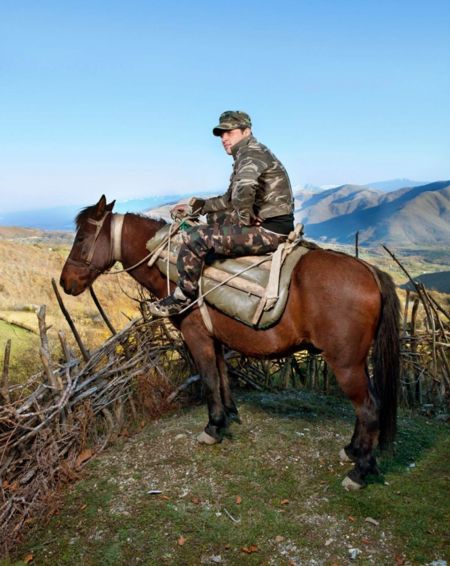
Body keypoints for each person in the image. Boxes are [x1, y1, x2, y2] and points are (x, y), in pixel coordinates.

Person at [148, 110, 295, 317]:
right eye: (221, 134)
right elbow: (228, 200)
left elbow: (245, 189)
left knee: (194, 237)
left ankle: (184, 297)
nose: (224, 138)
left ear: (246, 131)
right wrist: (193, 208)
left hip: (270, 231)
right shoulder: (247, 153)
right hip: (272, 222)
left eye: (230, 132)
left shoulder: (250, 154)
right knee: (213, 218)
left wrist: (246, 220)